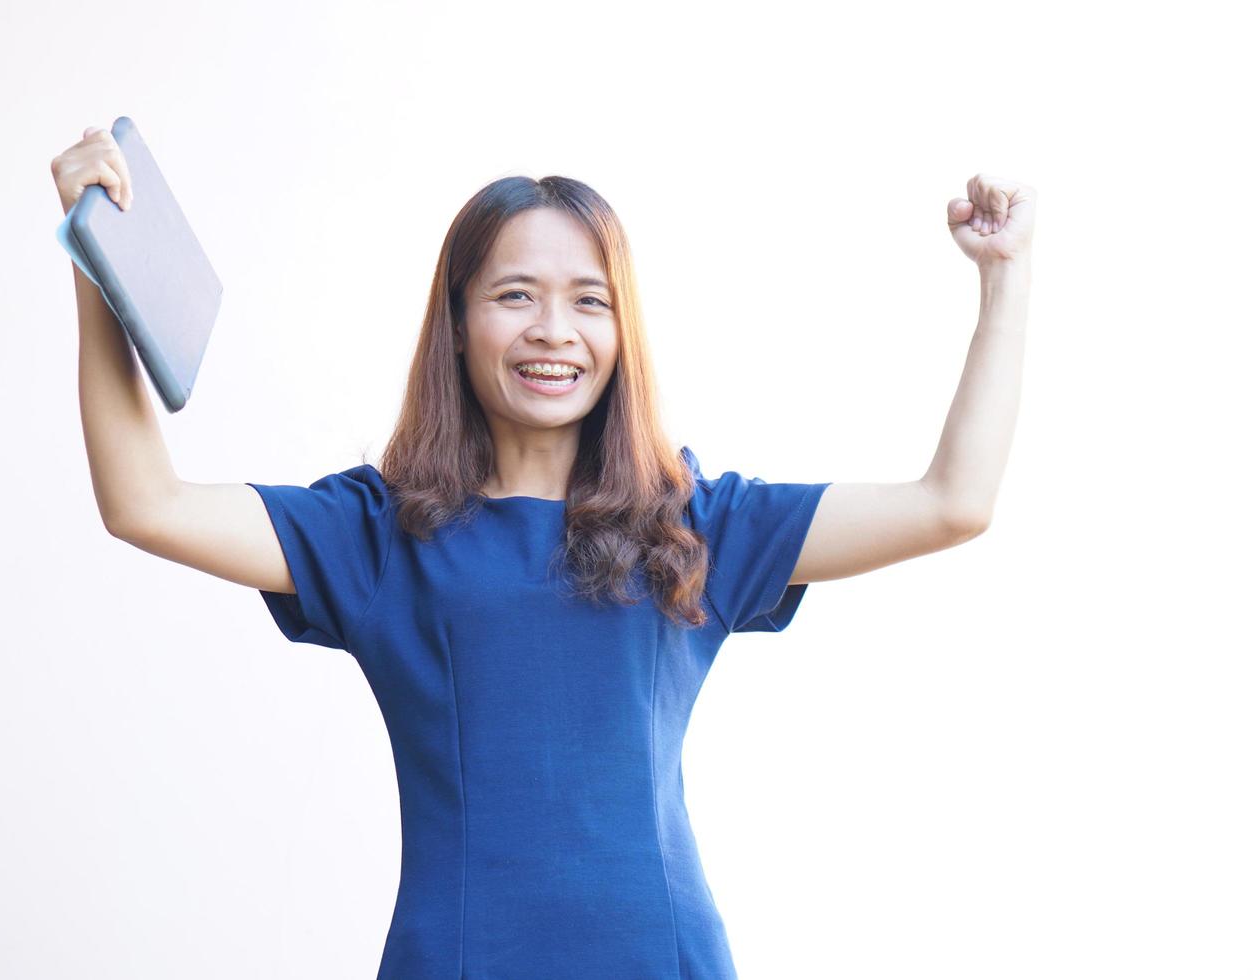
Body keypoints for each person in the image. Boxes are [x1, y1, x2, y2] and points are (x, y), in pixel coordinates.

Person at [52, 125, 1035, 978]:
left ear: (622, 329)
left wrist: (1004, 279)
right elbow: (146, 502)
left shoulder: (694, 523)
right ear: (461, 321)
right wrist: (101, 263)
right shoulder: (379, 531)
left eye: (588, 300)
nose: (553, 331)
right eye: (515, 295)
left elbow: (954, 502)